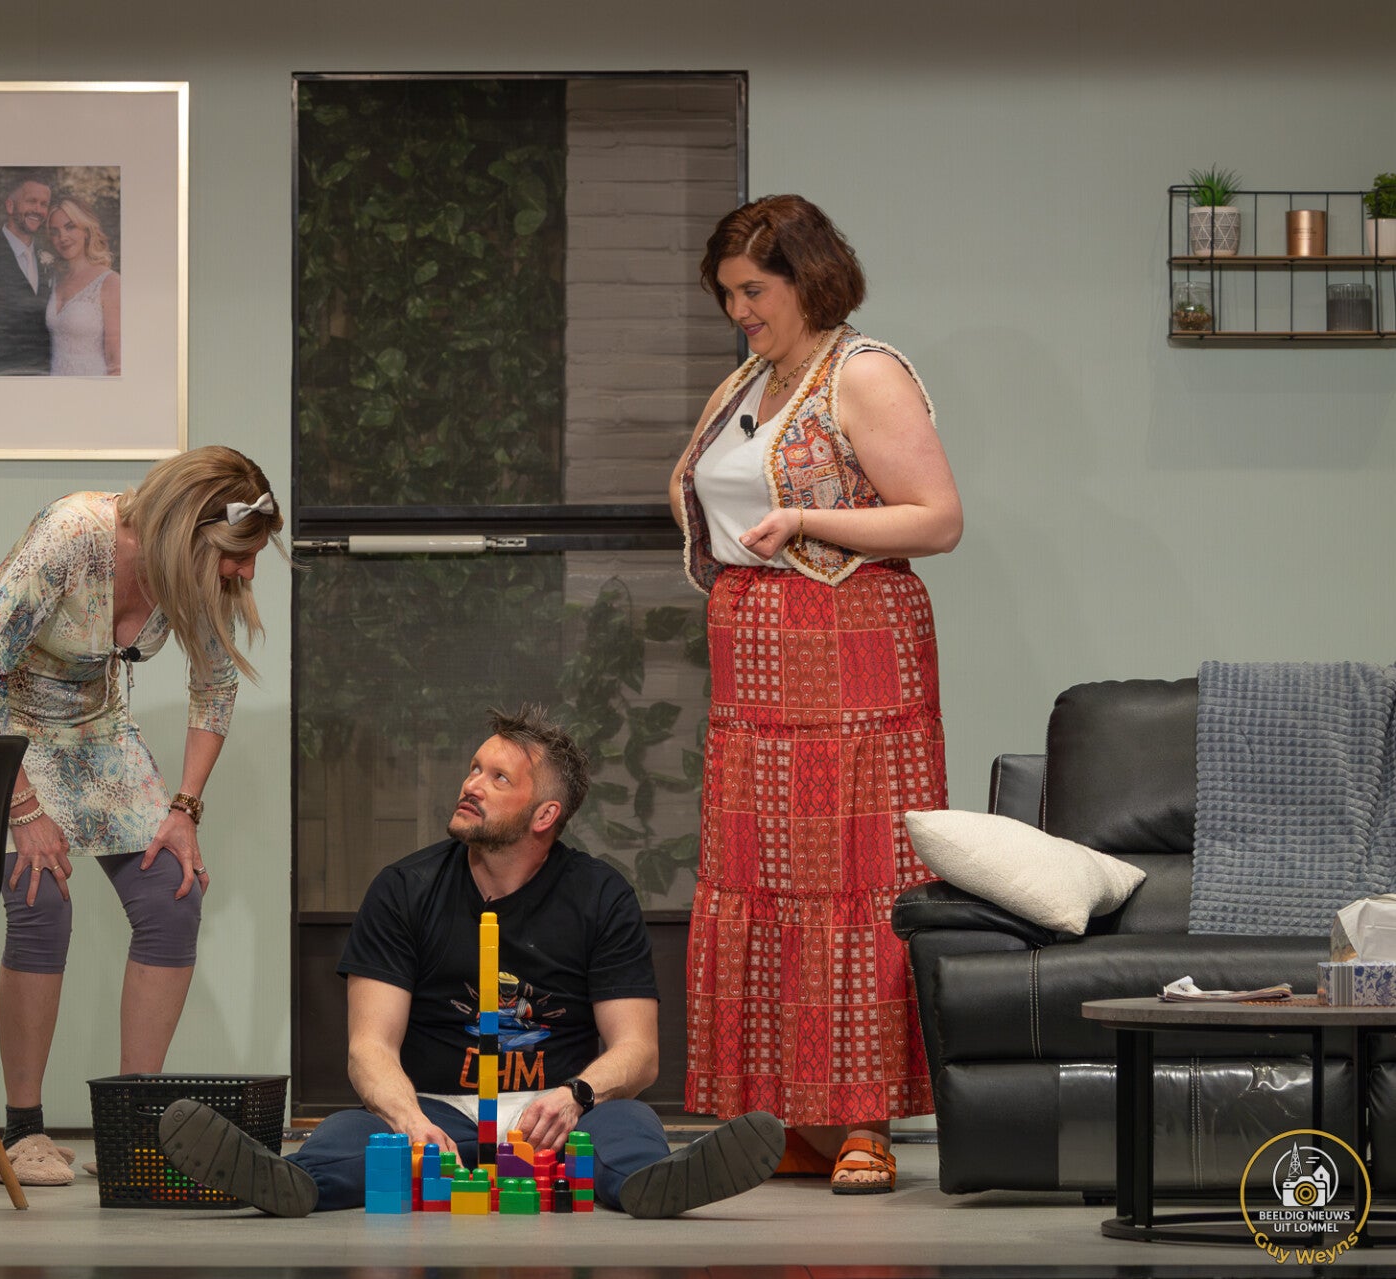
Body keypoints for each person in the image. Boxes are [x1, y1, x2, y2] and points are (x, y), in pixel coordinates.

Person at [155, 706, 785, 1218]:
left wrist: (576, 1095)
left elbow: (639, 1052)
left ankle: (658, 1185)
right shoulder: (404, 889)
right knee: (349, 1138)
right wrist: (409, 1120)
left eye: (498, 779)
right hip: (436, 1110)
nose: (471, 784)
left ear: (545, 815)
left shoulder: (600, 896)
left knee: (629, 1126)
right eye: (475, 768)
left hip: (556, 1116)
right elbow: (369, 1046)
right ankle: (290, 1184)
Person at [668, 195, 962, 1195]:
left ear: (808, 277)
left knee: (853, 877)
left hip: (852, 654)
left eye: (753, 290)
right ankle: (793, 1116)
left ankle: (864, 1118)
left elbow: (936, 519)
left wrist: (805, 518)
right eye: (727, 294)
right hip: (755, 672)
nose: (738, 311)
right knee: (765, 877)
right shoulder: (749, 381)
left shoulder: (862, 372)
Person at [0, 446, 281, 1187]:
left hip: (88, 716)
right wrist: (23, 806)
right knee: (40, 895)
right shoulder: (75, 533)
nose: (247, 573)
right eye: (238, 555)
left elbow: (215, 686)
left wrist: (184, 808)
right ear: (188, 530)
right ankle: (24, 1131)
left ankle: (132, 1123)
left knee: (172, 892)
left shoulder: (194, 575)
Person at [0, 170, 55, 375]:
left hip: (47, 377)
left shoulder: (51, 258)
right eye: (31, 201)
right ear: (10, 205)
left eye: (44, 204)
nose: (38, 210)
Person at [45, 195, 121, 376]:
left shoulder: (110, 282)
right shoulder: (55, 280)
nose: (62, 237)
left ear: (86, 231)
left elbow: (116, 361)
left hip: (92, 387)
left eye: (70, 227)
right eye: (55, 231)